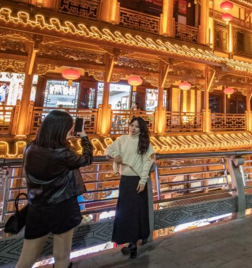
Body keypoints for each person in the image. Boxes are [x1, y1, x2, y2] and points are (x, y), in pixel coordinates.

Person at [16, 110, 94, 268]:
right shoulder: (63, 154)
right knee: (62, 255)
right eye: (69, 127)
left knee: (26, 258)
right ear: (62, 130)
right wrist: (84, 137)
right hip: (62, 206)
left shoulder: (30, 148)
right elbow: (87, 158)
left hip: (37, 206)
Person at [105, 117, 156, 259]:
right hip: (125, 180)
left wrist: (143, 180)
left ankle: (133, 243)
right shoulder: (122, 140)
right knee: (125, 212)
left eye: (137, 127)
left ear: (141, 129)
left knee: (136, 213)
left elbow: (148, 162)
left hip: (137, 181)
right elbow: (108, 149)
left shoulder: (144, 143)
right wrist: (116, 155)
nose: (133, 128)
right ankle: (130, 243)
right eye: (131, 125)